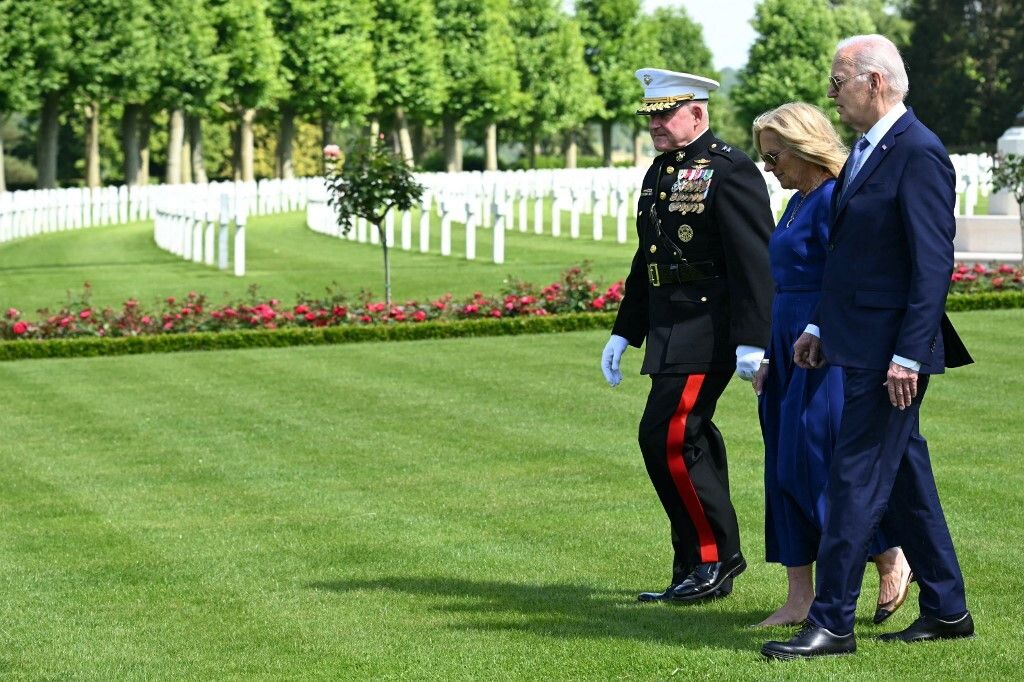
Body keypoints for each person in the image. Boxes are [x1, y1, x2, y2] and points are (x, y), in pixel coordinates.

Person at [762, 35, 975, 660]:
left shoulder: (918, 153)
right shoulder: (865, 152)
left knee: (853, 479)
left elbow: (932, 266)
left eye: (839, 81)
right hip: (855, 342)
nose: (833, 94)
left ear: (873, 82)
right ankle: (947, 607)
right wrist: (821, 327)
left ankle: (832, 622)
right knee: (907, 480)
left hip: (891, 358)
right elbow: (851, 262)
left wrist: (908, 355)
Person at [601, 68, 774, 603]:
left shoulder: (730, 170)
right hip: (671, 326)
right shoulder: (660, 171)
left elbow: (754, 260)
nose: (653, 123)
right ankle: (696, 564)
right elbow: (647, 258)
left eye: (663, 113)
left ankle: (715, 557)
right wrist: (624, 332)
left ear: (696, 113)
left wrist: (754, 337)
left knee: (669, 436)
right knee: (685, 437)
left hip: (710, 327)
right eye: (649, 114)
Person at [750, 102, 912, 627]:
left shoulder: (833, 199)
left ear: (803, 147)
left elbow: (843, 278)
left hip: (824, 341)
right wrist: (768, 352)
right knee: (782, 466)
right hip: (786, 340)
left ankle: (888, 552)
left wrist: (815, 331)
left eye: (773, 157)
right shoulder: (795, 202)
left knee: (816, 464)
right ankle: (799, 596)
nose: (768, 168)